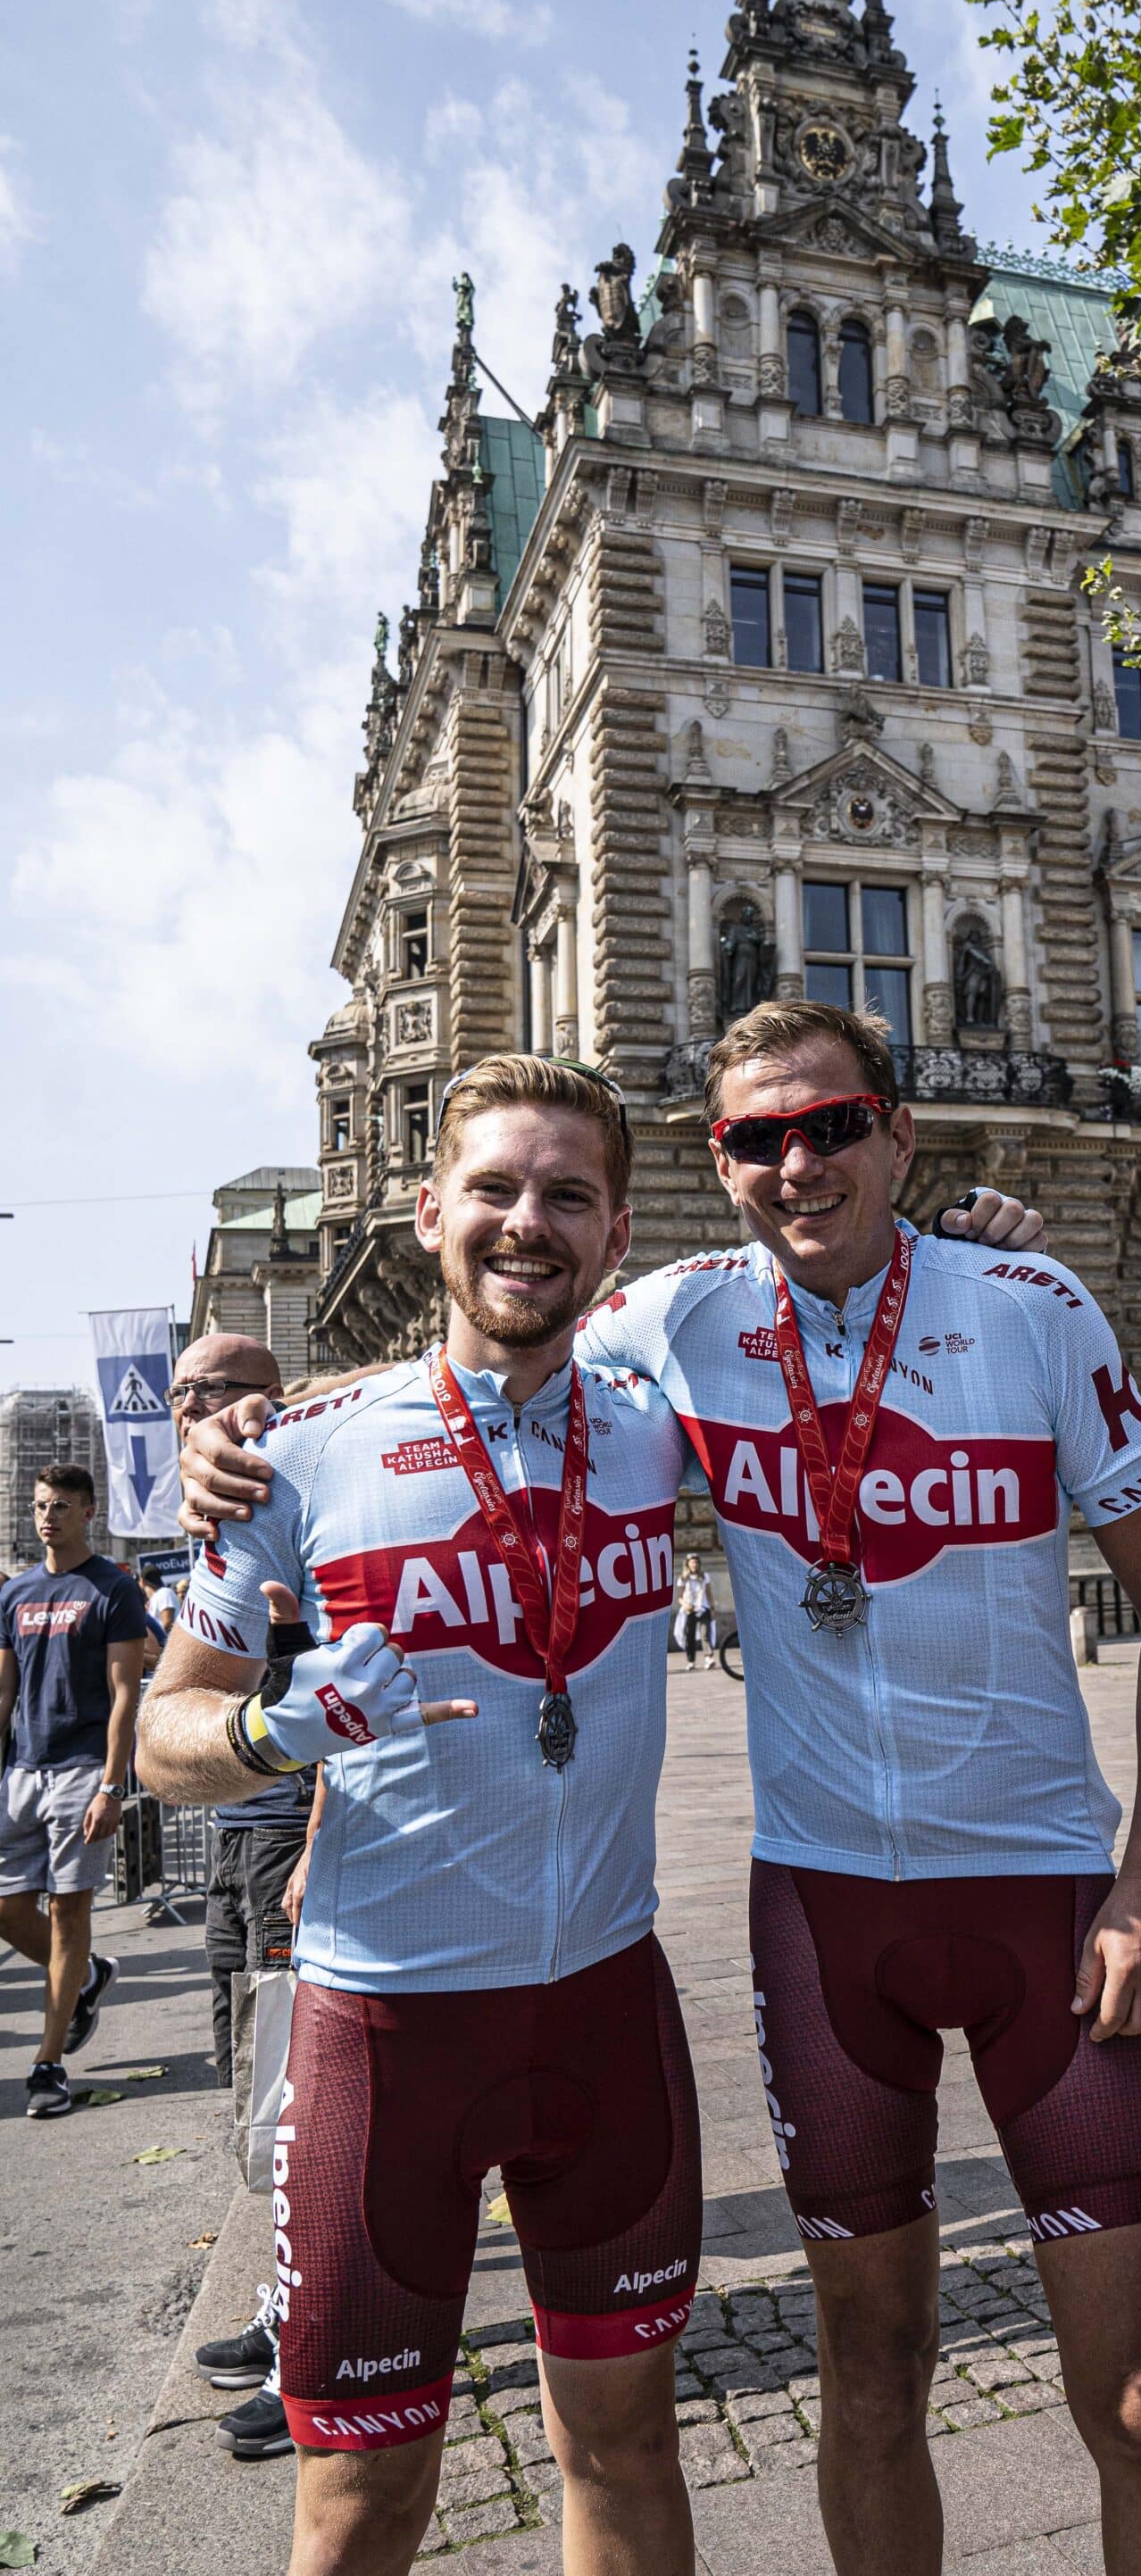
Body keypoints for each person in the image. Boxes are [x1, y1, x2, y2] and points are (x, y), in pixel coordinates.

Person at [184, 1003, 1141, 2576]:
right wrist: (257, 1421)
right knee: (869, 2380)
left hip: (1047, 1898)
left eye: (832, 1123)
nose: (797, 1161)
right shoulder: (667, 1325)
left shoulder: (1028, 1299)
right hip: (821, 1915)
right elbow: (479, 1360)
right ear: (710, 1163)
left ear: (897, 1131)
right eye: (756, 1135)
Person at [140, 1061, 705, 2564]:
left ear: (615, 1234)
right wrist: (276, 1722)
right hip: (387, 2027)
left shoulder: (659, 1425)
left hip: (604, 2001)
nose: (530, 1222)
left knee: (629, 2449)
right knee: (359, 2497)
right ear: (426, 1211)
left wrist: (976, 1230)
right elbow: (162, 1736)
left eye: (568, 1195)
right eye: (497, 1188)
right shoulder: (297, 1448)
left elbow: (828, 1311)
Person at [165, 1339, 319, 2438]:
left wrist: (318, 1834)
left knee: (291, 2099)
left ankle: (307, 2327)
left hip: (286, 1843)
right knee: (252, 2076)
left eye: (207, 1391)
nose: (186, 1407)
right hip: (235, 1838)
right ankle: (290, 2302)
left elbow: (338, 1681)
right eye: (177, 1392)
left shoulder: (289, 1466)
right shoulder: (223, 1491)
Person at [0, 1466, 141, 2116]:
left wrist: (111, 1786)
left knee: (67, 1915)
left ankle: (48, 2066)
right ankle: (85, 1976)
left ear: (89, 1511)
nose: (46, 1516)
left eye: (60, 1506)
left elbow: (124, 1696)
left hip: (84, 1769)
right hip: (22, 1773)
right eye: (38, 1506)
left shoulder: (113, 1588)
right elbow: (4, 1693)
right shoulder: (15, 1593)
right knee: (7, 1910)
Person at [671, 1554, 716, 1670]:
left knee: (705, 1634)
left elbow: (709, 1594)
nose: (694, 1565)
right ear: (688, 1564)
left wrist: (712, 1608)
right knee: (689, 1636)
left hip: (703, 1608)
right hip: (689, 1610)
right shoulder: (682, 1578)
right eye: (692, 1562)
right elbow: (679, 1597)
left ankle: (708, 1658)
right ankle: (691, 1661)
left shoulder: (705, 1576)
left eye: (696, 1562)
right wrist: (685, 1604)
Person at [138, 1562, 176, 1671]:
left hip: (166, 1652)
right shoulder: (155, 1596)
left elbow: (167, 1622)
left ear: (142, 1581)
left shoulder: (165, 1593)